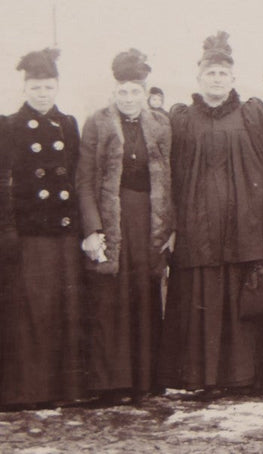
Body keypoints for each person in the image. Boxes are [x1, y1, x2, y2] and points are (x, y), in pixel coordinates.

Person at [162, 31, 263, 393]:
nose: (216, 79)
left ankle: (239, 376)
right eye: (210, 73)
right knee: (200, 297)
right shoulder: (182, 119)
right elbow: (170, 172)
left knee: (238, 296)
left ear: (233, 78)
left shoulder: (251, 114)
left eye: (223, 74)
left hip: (242, 225)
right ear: (199, 78)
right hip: (198, 227)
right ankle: (197, 376)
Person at [76, 48, 174, 406]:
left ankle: (144, 380)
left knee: (145, 295)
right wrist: (92, 229)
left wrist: (168, 226)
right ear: (113, 92)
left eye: (135, 91)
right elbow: (85, 180)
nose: (129, 99)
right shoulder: (98, 123)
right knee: (110, 297)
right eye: (123, 92)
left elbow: (169, 178)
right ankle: (109, 382)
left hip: (148, 218)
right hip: (111, 218)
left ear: (145, 92)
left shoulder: (160, 124)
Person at [0, 48, 87, 409]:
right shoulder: (8, 125)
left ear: (56, 87)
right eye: (36, 87)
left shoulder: (67, 124)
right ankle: (29, 391)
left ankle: (66, 391)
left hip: (63, 233)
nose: (42, 93)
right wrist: (8, 230)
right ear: (24, 87)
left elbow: (78, 177)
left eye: (48, 86)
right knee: (31, 312)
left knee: (65, 309)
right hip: (31, 234)